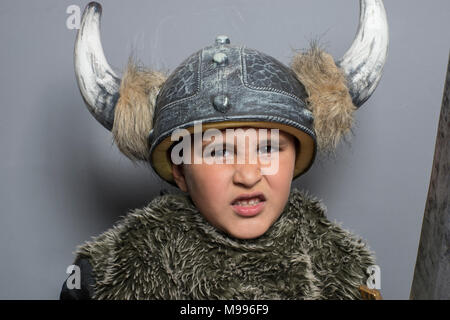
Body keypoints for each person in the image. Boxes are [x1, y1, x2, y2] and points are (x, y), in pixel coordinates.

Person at [60, 0, 388, 300]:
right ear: (180, 170)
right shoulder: (103, 280)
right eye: (218, 152)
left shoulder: (349, 275)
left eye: (269, 147)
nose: (248, 175)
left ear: (295, 158)